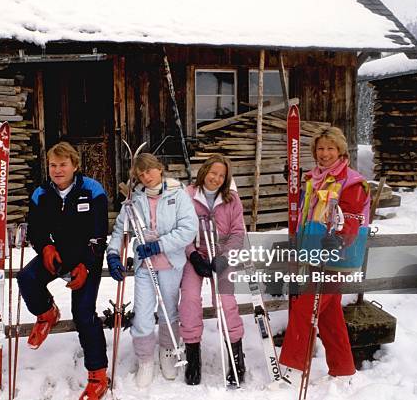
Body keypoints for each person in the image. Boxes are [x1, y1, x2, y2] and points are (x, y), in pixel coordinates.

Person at [271, 126, 370, 389]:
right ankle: (344, 369)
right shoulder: (315, 179)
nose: (324, 154)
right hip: (314, 253)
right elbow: (310, 210)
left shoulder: (352, 182)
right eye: (320, 148)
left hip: (335, 258)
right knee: (329, 315)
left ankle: (291, 370)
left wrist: (339, 237)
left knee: (305, 309)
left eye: (330, 148)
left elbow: (351, 218)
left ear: (341, 151)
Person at [16, 142, 110, 400]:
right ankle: (47, 313)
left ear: (75, 166)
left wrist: (86, 264)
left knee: (83, 313)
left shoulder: (92, 190)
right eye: (53, 165)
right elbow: (35, 229)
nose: (57, 170)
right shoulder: (41, 193)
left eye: (63, 165)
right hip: (57, 254)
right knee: (26, 278)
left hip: (86, 258)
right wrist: (45, 247)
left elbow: (99, 233)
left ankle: (98, 375)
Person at [106, 153, 198, 388]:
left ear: (159, 168)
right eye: (140, 174)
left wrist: (159, 245)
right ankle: (145, 359)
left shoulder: (178, 194)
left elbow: (188, 229)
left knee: (169, 310)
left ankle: (167, 352)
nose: (146, 177)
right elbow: (120, 230)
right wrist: (114, 254)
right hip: (145, 265)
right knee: (143, 312)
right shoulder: (134, 199)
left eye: (149, 170)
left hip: (170, 262)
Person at [179, 154, 247, 386]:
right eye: (213, 173)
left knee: (226, 301)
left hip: (221, 257)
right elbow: (181, 229)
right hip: (196, 256)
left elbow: (238, 232)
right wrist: (193, 254)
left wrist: (225, 257)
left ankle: (236, 357)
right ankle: (193, 357)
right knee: (189, 299)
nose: (216, 178)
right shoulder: (187, 196)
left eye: (221, 175)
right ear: (204, 171)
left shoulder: (231, 199)